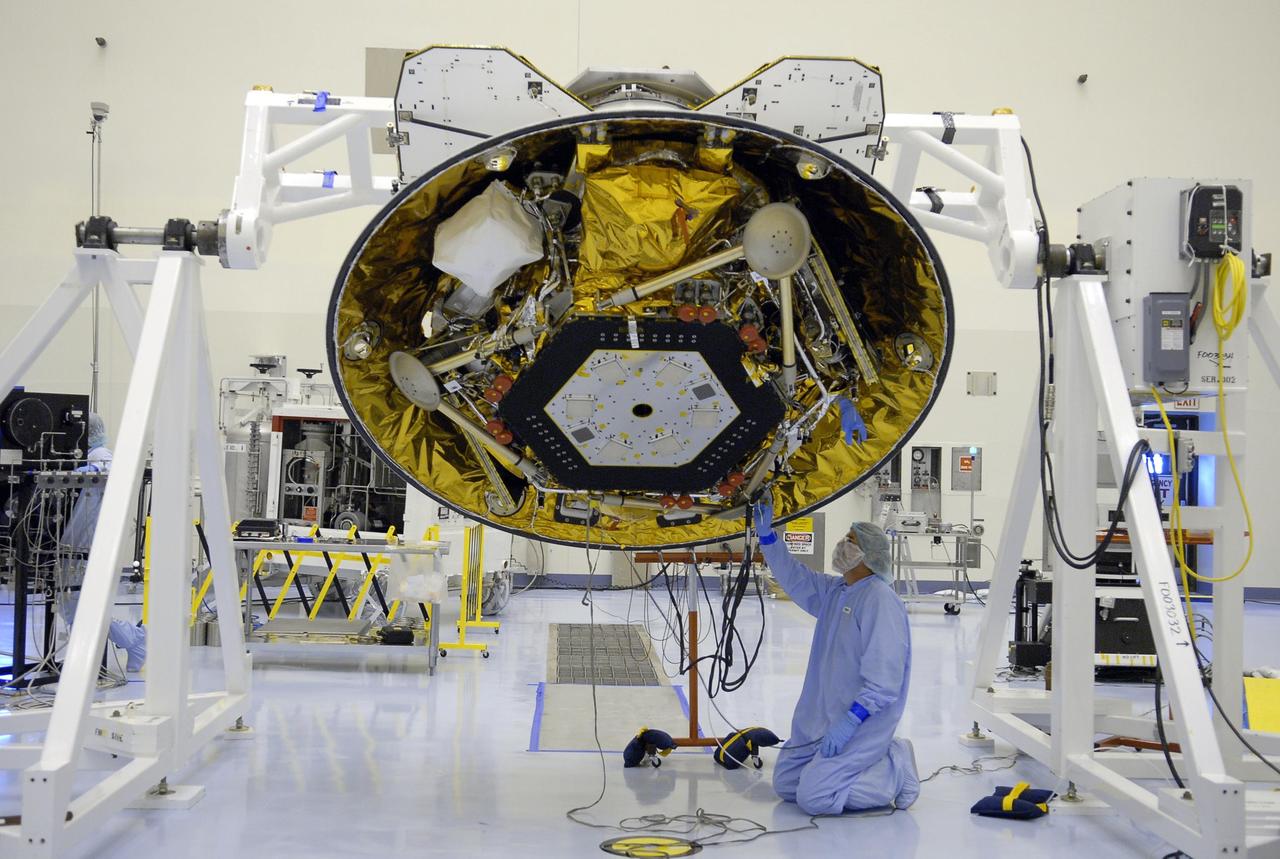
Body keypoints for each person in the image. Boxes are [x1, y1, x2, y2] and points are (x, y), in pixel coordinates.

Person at [754, 499, 918, 815]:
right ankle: (845, 769)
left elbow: (885, 680)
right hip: (819, 721)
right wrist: (768, 538)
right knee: (787, 786)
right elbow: (795, 577)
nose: (842, 545)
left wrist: (850, 721)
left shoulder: (879, 601)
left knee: (815, 799)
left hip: (858, 725)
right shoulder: (838, 591)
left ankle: (894, 767)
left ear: (869, 556)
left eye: (851, 541)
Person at [61, 414, 147, 672]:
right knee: (73, 608)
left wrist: (92, 471)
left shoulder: (99, 454)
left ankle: (134, 638)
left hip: (86, 546)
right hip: (72, 545)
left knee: (82, 607)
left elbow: (114, 469)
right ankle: (128, 641)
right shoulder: (83, 457)